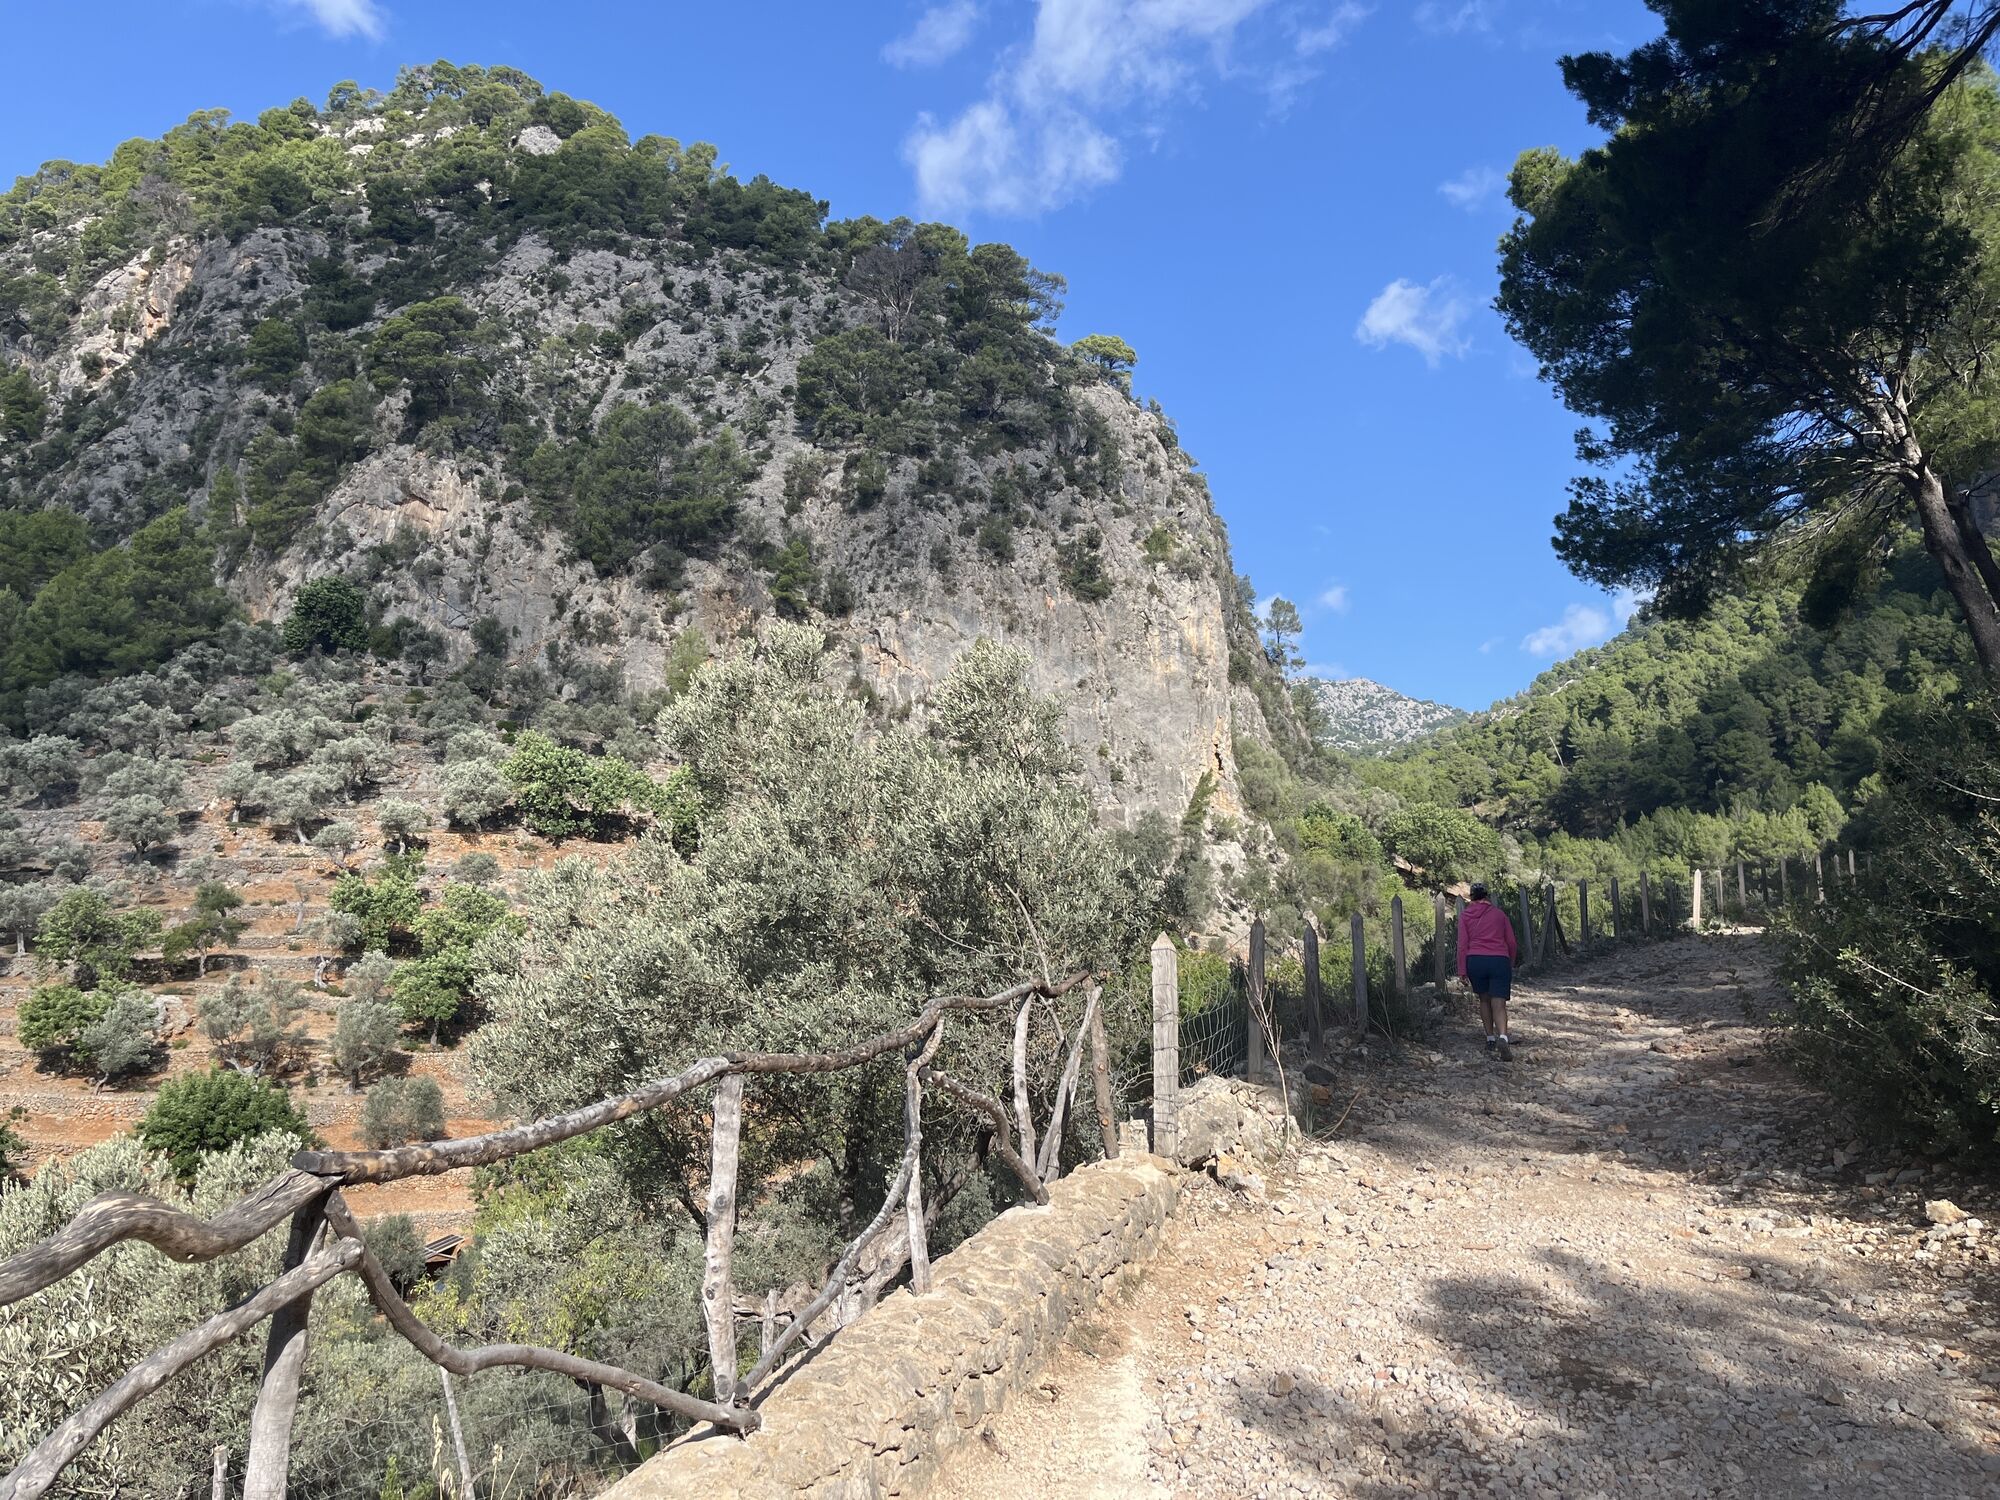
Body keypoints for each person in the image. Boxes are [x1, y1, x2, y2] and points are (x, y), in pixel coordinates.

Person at [1457, 883, 1520, 1061]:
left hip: (1476, 960)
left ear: (1471, 897)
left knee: (1484, 1000)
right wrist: (1510, 961)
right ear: (1487, 896)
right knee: (1499, 1003)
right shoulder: (1499, 915)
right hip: (1499, 960)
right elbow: (1512, 942)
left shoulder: (1465, 916)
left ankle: (1490, 1038)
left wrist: (1462, 970)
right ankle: (1503, 1037)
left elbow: (1462, 945)